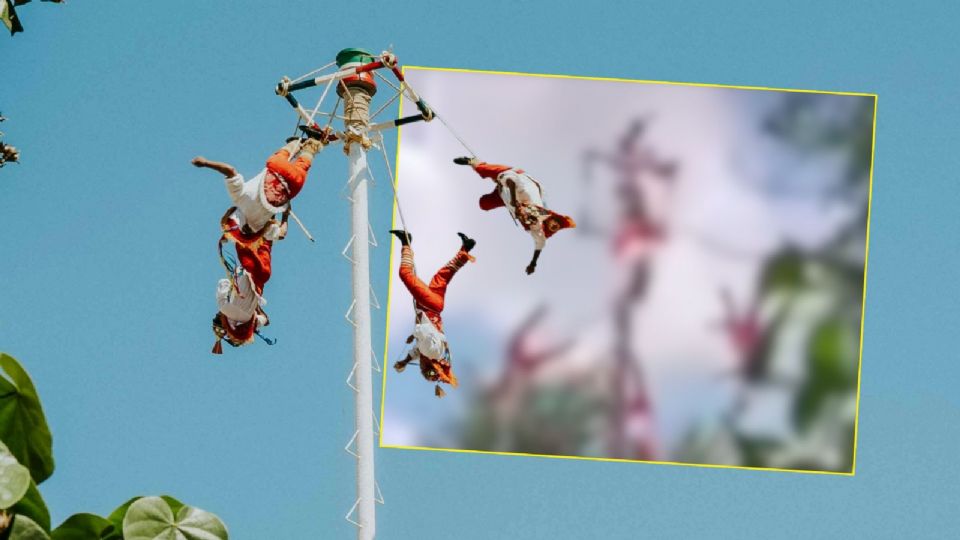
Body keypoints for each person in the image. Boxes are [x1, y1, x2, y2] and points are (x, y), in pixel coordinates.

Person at [192, 126, 330, 294]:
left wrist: (285, 215)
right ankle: (295, 143)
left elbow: (282, 233)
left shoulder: (261, 227)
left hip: (292, 187)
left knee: (304, 164)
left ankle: (313, 143)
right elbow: (230, 170)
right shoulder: (240, 197)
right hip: (277, 168)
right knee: (281, 156)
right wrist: (205, 163)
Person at [453, 157, 575, 274]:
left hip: (503, 195)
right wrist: (513, 199)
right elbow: (511, 181)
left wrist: (533, 264)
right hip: (512, 176)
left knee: (483, 204)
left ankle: (499, 184)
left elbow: (540, 245)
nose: (525, 219)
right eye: (527, 217)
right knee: (483, 170)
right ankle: (474, 161)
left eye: (527, 220)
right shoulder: (528, 193)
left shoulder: (537, 229)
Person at [390, 230, 475, 397]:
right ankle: (407, 243)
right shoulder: (430, 352)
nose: (420, 365)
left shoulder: (434, 354)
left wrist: (405, 361)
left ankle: (465, 250)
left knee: (442, 276)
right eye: (421, 368)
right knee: (405, 274)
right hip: (428, 305)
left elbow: (419, 350)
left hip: (436, 305)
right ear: (427, 366)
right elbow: (423, 332)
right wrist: (413, 334)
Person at [211, 266, 269, 353]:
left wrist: (256, 308)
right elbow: (223, 282)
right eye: (217, 315)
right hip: (243, 273)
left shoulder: (248, 321)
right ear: (222, 320)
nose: (218, 313)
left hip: (258, 281)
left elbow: (266, 320)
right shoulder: (223, 307)